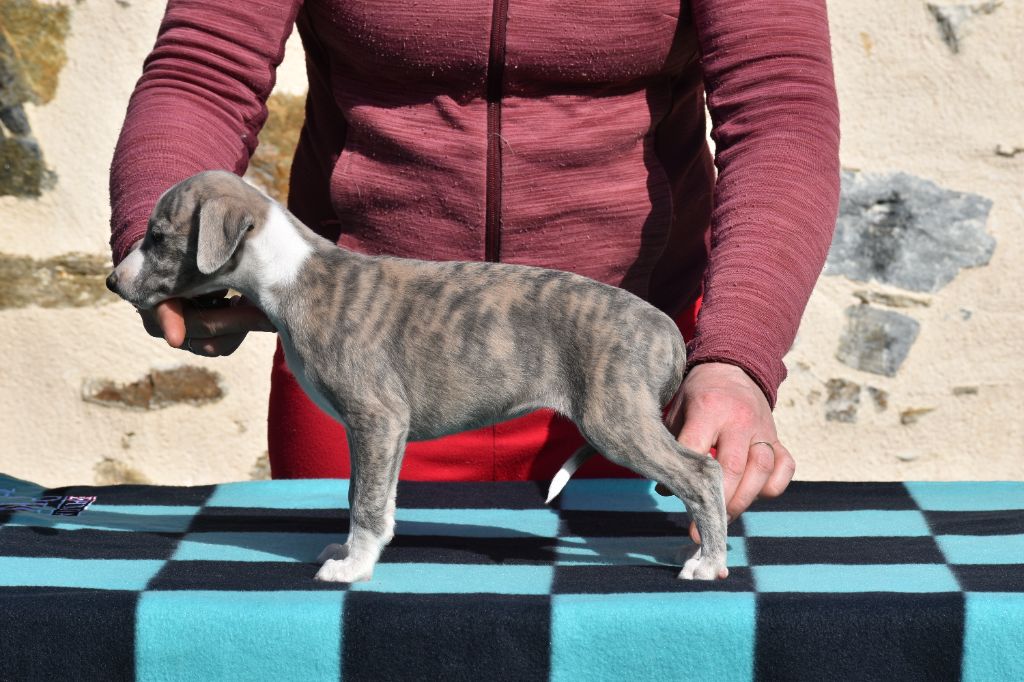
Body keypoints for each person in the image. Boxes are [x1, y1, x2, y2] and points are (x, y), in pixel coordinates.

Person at [109, 0, 840, 538]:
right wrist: (166, 248)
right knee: (352, 641)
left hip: (614, 359)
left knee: (635, 645)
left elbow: (780, 107)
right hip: (363, 359)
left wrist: (736, 356)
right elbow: (204, 73)